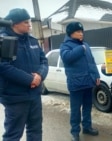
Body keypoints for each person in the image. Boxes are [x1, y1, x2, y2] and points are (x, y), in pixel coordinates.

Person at [0, 8, 49, 140]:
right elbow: (3, 66)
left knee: (35, 130)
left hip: (34, 95)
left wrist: (39, 75)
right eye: (25, 22)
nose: (29, 24)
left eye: (29, 22)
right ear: (15, 24)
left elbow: (44, 61)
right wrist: (29, 80)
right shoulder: (4, 40)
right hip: (15, 97)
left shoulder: (32, 41)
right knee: (13, 135)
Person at [60, 22, 100, 141]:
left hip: (88, 81)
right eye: (78, 31)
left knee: (87, 107)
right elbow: (66, 58)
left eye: (82, 31)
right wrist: (80, 48)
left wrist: (96, 75)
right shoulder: (65, 45)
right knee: (76, 109)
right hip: (76, 83)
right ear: (71, 33)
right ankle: (75, 132)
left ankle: (87, 127)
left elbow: (91, 61)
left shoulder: (86, 45)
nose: (81, 33)